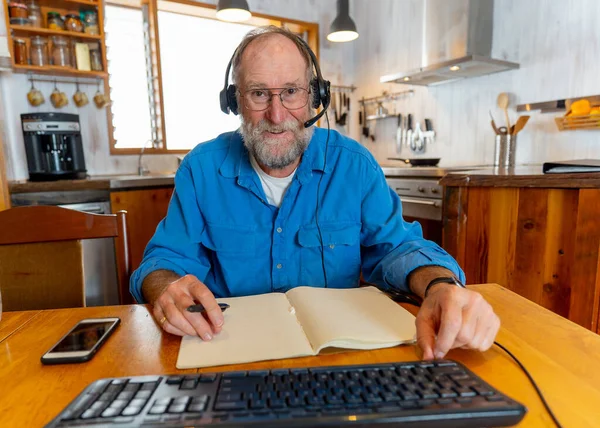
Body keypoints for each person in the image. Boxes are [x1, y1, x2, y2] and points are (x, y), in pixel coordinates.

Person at [130, 26, 500, 361]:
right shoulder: (201, 170)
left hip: (336, 358)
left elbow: (397, 248)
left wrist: (438, 285)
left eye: (291, 92)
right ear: (235, 102)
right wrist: (165, 287)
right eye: (259, 94)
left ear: (315, 97)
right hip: (229, 357)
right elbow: (164, 261)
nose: (277, 115)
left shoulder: (354, 166)